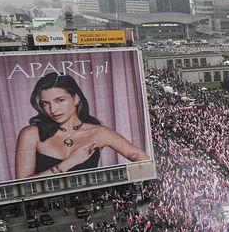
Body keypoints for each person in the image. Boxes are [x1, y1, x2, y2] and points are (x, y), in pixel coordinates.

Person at [14, 72, 149, 179]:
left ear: (76, 98)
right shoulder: (31, 134)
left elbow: (139, 156)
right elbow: (23, 186)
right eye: (45, 104)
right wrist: (69, 163)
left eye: (59, 100)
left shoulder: (99, 132)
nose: (53, 109)